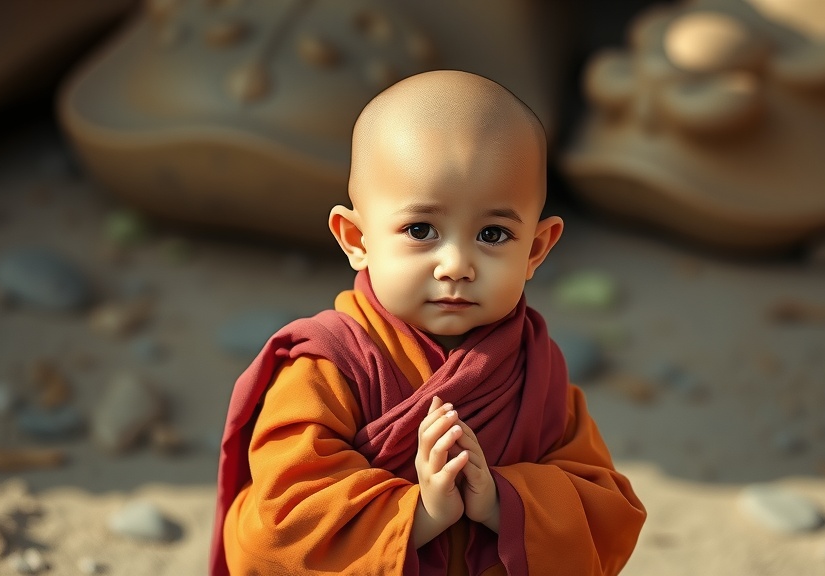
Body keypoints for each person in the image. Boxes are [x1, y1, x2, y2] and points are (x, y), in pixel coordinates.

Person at [210, 69, 646, 576]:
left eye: (494, 233)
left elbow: (604, 508)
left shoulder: (536, 366)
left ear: (538, 248)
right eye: (421, 229)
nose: (457, 264)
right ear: (356, 238)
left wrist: (503, 504)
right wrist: (417, 515)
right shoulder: (326, 366)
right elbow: (279, 524)